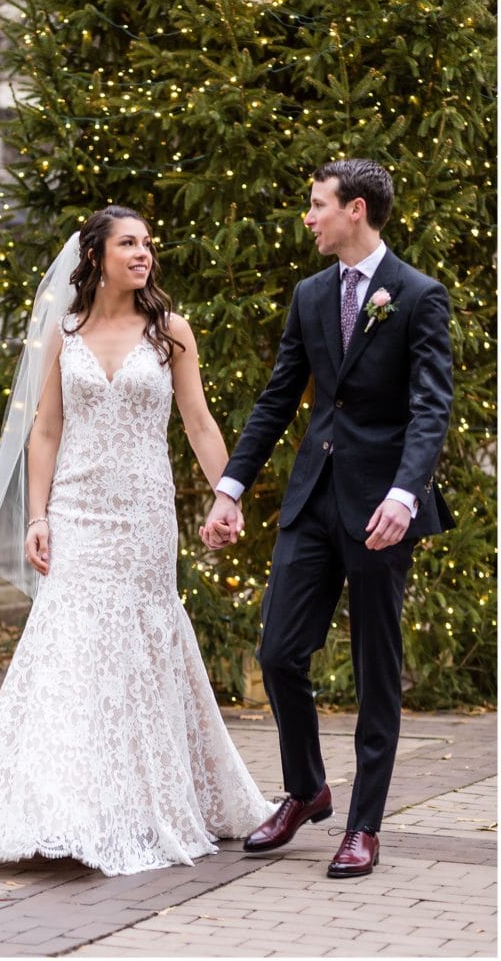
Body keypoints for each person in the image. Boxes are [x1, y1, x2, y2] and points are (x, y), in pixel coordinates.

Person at [0, 205, 271, 877]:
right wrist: (37, 516)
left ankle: (137, 802)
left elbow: (197, 422)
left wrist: (228, 493)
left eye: (147, 244)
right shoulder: (61, 334)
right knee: (69, 645)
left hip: (142, 515)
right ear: (95, 256)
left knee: (137, 643)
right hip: (76, 509)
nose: (143, 254)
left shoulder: (170, 332)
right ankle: (58, 806)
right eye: (128, 243)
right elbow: (45, 431)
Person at [200, 159, 454, 878]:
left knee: (377, 669)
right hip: (312, 501)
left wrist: (405, 495)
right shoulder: (310, 295)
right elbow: (279, 398)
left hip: (381, 510)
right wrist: (231, 488)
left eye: (316, 206)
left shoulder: (416, 295)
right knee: (278, 652)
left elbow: (429, 406)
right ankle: (307, 787)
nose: (307, 218)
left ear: (356, 210)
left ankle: (362, 826)